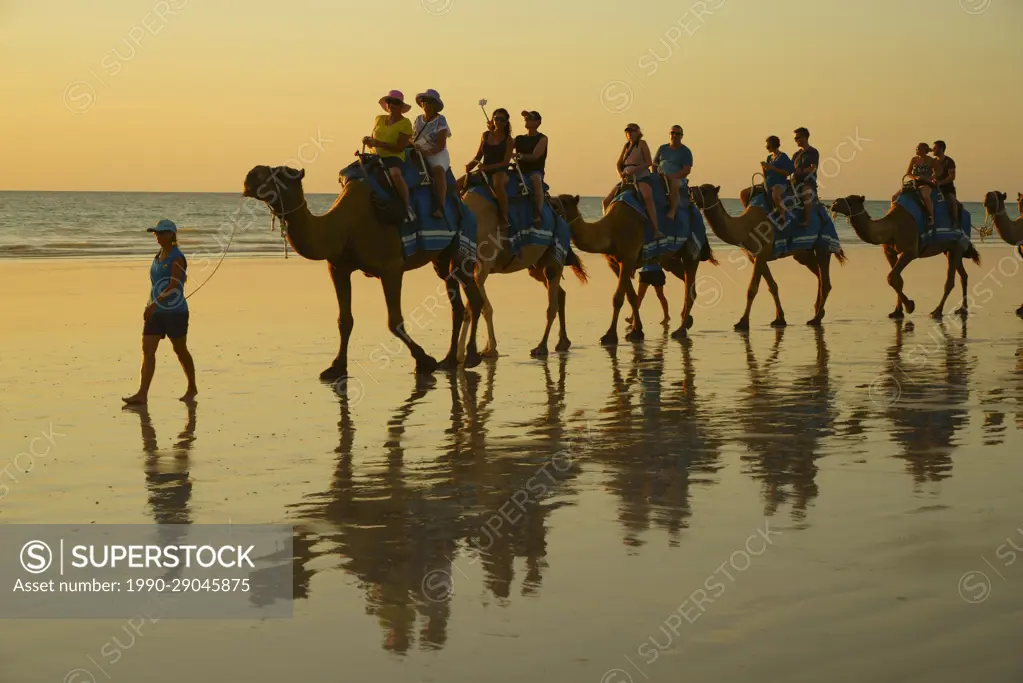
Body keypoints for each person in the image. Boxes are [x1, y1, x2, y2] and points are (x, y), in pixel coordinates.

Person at [123, 220, 197, 405]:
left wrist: (154, 304)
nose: (158, 236)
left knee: (180, 350)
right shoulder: (158, 256)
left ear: (172, 234)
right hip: (155, 311)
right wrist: (152, 305)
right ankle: (142, 393)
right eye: (156, 233)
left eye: (162, 233)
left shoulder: (177, 256)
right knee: (148, 350)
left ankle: (192, 387)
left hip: (175, 311)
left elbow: (174, 285)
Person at [363, 90, 414, 221]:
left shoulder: (405, 123)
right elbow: (373, 143)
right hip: (375, 156)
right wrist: (368, 142)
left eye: (395, 102)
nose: (391, 105)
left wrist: (378, 143)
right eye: (389, 101)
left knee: (395, 173)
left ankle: (406, 206)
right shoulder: (379, 119)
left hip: (393, 156)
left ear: (401, 106)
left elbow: (400, 147)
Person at [604, 123, 660, 236]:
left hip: (641, 177)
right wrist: (620, 173)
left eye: (632, 131)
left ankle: (656, 229)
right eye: (628, 132)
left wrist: (634, 170)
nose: (629, 134)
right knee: (606, 201)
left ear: (638, 132)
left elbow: (649, 162)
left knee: (647, 196)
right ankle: (607, 227)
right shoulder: (626, 146)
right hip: (626, 179)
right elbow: (619, 163)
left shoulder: (642, 144)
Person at [466, 107, 514, 229]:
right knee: (457, 184)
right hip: (483, 169)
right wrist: (471, 164)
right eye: (496, 118)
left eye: (502, 119)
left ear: (506, 122)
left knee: (498, 185)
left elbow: (505, 162)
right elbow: (478, 155)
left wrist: (488, 167)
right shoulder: (485, 135)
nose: (498, 121)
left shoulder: (509, 140)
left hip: (499, 170)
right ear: (492, 120)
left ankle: (504, 217)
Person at [413, 89, 452, 219]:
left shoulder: (441, 120)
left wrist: (427, 152)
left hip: (436, 153)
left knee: (439, 171)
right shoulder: (418, 120)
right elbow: (412, 137)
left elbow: (441, 144)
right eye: (423, 101)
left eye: (429, 101)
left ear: (435, 104)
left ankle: (440, 206)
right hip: (418, 151)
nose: (425, 103)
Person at [652, 125, 694, 221]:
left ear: (681, 136)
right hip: (661, 176)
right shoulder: (662, 148)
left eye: (677, 134)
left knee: (674, 184)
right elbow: (654, 164)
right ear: (669, 134)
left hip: (678, 178)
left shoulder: (685, 151)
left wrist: (672, 176)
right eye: (672, 133)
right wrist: (655, 174)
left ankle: (672, 211)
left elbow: (686, 170)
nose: (674, 135)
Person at [514, 110, 548, 226]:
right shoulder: (519, 139)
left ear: (538, 122)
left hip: (534, 171)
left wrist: (519, 156)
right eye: (526, 118)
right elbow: (505, 146)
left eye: (530, 118)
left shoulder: (542, 138)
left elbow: (535, 156)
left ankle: (537, 214)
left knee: (536, 180)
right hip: (518, 172)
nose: (527, 120)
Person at [893, 143, 939, 226]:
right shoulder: (914, 159)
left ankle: (931, 217)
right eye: (917, 148)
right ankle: (893, 215)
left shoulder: (930, 160)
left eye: (919, 148)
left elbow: (939, 171)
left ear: (925, 150)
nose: (917, 150)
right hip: (915, 182)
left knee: (925, 195)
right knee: (894, 196)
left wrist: (930, 178)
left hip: (926, 183)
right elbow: (908, 173)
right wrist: (915, 177)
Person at [760, 135, 795, 222]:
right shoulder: (769, 158)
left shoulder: (783, 157)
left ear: (774, 145)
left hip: (779, 183)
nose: (767, 147)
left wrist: (773, 168)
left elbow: (787, 173)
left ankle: (782, 215)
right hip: (768, 182)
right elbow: (766, 173)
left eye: (768, 145)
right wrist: (764, 168)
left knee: (775, 195)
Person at [791, 127, 820, 227]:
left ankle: (807, 220)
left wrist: (800, 171)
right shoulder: (796, 155)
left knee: (805, 190)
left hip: (808, 182)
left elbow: (813, 168)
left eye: (797, 138)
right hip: (794, 183)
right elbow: (789, 168)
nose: (796, 140)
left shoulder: (813, 152)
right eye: (795, 138)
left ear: (805, 137)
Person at [933, 140, 958, 224]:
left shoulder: (949, 161)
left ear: (940, 149)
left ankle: (955, 222)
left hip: (947, 188)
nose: (932, 149)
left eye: (935, 148)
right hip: (934, 187)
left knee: (952, 200)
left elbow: (952, 177)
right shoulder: (932, 162)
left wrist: (941, 182)